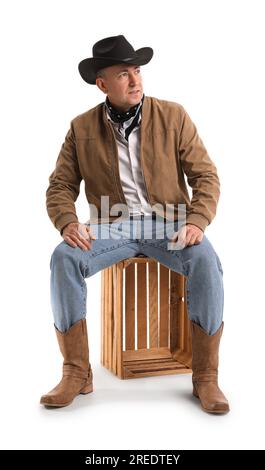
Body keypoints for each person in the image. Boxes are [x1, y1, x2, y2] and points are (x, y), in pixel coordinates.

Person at [40, 35, 229, 414]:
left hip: (170, 223)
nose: (135, 80)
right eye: (123, 73)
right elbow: (60, 185)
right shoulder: (81, 127)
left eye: (137, 70)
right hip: (113, 226)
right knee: (64, 257)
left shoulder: (173, 116)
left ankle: (206, 377)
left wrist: (196, 220)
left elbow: (206, 176)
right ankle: (77, 371)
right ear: (102, 83)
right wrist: (67, 223)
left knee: (206, 260)